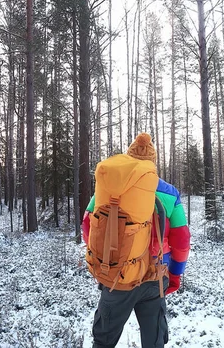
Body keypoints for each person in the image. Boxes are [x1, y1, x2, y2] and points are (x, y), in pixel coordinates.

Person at [82, 133, 191, 348]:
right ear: (153, 163)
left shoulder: (108, 190)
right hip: (155, 277)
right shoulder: (169, 193)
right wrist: (176, 274)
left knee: (103, 341)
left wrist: (108, 257)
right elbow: (182, 240)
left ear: (129, 157)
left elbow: (88, 226)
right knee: (154, 341)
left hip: (117, 276)